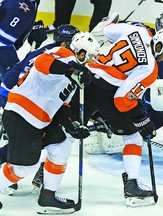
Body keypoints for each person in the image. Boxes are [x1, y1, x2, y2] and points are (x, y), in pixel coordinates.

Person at [0, 32, 100, 213]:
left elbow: (63, 104)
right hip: (21, 115)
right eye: (91, 56)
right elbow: (41, 63)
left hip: (37, 121)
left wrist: (71, 125)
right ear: (81, 52)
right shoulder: (63, 54)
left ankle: (48, 196)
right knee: (25, 166)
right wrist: (72, 71)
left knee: (61, 144)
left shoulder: (76, 75)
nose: (92, 60)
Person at [84, 21, 163, 207]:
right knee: (133, 137)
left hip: (86, 77)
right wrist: (143, 121)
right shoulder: (150, 68)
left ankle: (44, 177)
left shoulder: (139, 30)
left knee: (68, 130)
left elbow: (107, 30)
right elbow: (122, 100)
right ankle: (132, 186)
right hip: (106, 90)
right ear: (158, 45)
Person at [0, 0, 47, 80]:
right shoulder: (19, 9)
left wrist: (31, 28)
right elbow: (2, 45)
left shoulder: (31, 3)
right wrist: (16, 71)